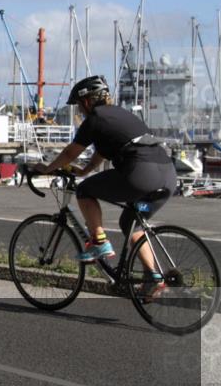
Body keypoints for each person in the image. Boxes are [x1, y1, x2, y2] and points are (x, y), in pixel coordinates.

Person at [32, 75, 176, 297]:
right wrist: (85, 170)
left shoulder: (95, 118)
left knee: (84, 190)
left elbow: (71, 152)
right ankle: (153, 277)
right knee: (131, 222)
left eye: (79, 106)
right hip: (166, 176)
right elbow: (103, 150)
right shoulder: (121, 115)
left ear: (87, 101)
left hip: (140, 174)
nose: (80, 111)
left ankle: (99, 242)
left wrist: (48, 169)